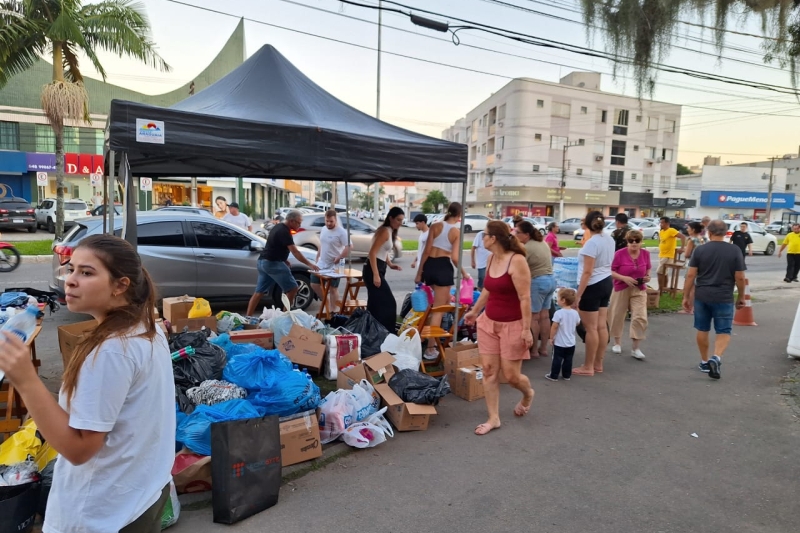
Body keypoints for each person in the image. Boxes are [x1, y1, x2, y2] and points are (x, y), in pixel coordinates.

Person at [0, 235, 174, 532]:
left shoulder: (111, 351)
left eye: (87, 272)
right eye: (70, 269)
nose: (70, 280)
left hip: (102, 514)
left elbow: (79, 449)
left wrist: (26, 380)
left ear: (121, 285)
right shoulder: (147, 327)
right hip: (142, 495)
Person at [464, 221, 534, 435]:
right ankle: (493, 418)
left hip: (513, 325)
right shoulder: (491, 257)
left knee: (512, 377)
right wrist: (475, 311)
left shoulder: (517, 261)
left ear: (493, 238)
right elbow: (487, 289)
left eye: (483, 234)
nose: (481, 238)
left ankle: (528, 393)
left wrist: (526, 328)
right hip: (488, 323)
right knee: (489, 371)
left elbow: (525, 297)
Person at [682, 220, 746, 380]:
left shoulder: (701, 250)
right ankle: (716, 358)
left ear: (709, 232)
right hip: (724, 297)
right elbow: (740, 276)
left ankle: (704, 362)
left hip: (702, 296)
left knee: (702, 329)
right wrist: (741, 296)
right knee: (724, 330)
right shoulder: (735, 250)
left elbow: (691, 275)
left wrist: (686, 295)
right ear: (725, 233)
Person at [415, 202, 470, 359]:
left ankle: (424, 337)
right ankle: (430, 349)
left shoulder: (436, 225)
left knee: (440, 304)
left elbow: (426, 251)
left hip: (430, 266)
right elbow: (454, 258)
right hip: (443, 267)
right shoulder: (456, 232)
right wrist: (464, 273)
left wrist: (420, 273)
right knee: (439, 310)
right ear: (459, 216)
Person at [246, 210, 319, 316]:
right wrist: (310, 264)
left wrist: (283, 259)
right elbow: (295, 251)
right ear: (291, 221)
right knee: (293, 288)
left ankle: (248, 317)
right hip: (272, 263)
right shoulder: (284, 231)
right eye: (298, 222)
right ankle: (285, 316)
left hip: (263, 262)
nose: (300, 225)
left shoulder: (278, 227)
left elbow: (273, 245)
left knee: (259, 292)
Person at [572, 210, 615, 376]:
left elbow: (587, 272)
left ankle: (588, 366)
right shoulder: (609, 239)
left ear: (588, 224)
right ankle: (597, 363)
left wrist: (578, 295)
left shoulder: (591, 243)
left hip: (592, 285)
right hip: (606, 282)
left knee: (591, 328)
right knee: (601, 325)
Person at [609, 229, 651, 360]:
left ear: (641, 242)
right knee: (617, 314)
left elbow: (648, 268)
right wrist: (623, 278)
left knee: (640, 316)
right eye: (631, 240)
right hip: (621, 287)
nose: (634, 243)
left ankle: (636, 348)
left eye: (637, 240)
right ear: (627, 241)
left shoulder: (645, 254)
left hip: (639, 288)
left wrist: (647, 276)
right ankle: (617, 342)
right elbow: (611, 271)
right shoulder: (619, 254)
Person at [516, 221, 556, 358]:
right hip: (550, 280)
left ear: (526, 234)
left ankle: (533, 351)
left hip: (537, 281)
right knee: (545, 316)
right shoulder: (542, 242)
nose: (516, 235)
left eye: (518, 232)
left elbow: (519, 267)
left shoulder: (527, 248)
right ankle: (543, 348)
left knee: (534, 317)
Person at [365, 207, 404, 333]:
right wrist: (376, 275)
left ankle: (373, 331)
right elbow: (372, 253)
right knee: (389, 303)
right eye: (398, 220)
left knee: (375, 304)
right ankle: (387, 332)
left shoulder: (389, 231)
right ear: (391, 218)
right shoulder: (384, 231)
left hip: (378, 267)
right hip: (373, 269)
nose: (400, 223)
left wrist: (390, 264)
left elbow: (384, 251)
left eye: (402, 220)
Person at [310, 210, 351, 311]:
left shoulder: (341, 232)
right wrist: (318, 254)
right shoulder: (324, 229)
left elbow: (349, 246)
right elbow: (322, 243)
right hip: (322, 262)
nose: (328, 223)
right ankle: (325, 300)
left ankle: (333, 310)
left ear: (335, 220)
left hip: (335, 265)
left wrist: (340, 257)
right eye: (327, 221)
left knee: (333, 288)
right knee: (314, 283)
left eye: (331, 221)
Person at [546, 289, 580, 381]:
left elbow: (554, 326)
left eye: (558, 298)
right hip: (571, 342)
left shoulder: (558, 313)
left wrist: (551, 338)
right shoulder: (575, 313)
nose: (557, 300)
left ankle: (554, 375)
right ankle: (566, 375)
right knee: (568, 359)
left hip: (560, 342)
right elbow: (577, 323)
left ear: (563, 300)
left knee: (557, 359)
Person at [657, 216, 686, 292]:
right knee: (664, 272)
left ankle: (660, 289)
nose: (661, 224)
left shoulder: (671, 230)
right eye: (660, 222)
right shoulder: (662, 231)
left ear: (667, 223)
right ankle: (664, 289)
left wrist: (682, 248)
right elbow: (660, 240)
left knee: (659, 272)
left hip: (668, 255)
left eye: (662, 223)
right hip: (662, 254)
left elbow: (682, 237)